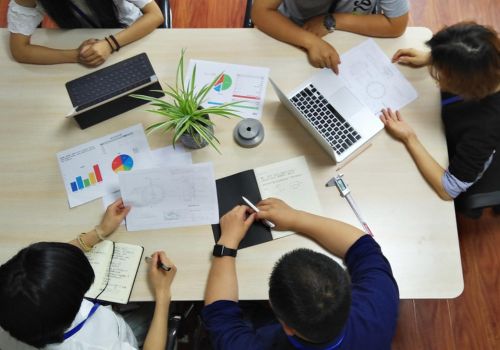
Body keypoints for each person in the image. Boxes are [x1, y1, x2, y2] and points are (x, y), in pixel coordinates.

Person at [202, 198, 399, 350]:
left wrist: (227, 241)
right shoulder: (379, 304)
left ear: (286, 326)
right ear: (348, 291)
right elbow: (364, 247)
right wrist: (296, 217)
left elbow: (220, 315)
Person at [0, 198, 177, 350]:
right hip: (118, 332)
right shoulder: (97, 345)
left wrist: (98, 232)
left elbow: (46, 265)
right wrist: (163, 294)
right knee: (156, 307)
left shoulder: (16, 296)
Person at [380, 22, 500, 207]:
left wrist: (410, 138)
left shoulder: (483, 129)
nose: (438, 81)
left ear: (466, 86)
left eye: (442, 75)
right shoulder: (491, 58)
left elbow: (448, 190)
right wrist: (434, 57)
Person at [251, 0, 409, 73]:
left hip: (353, 32)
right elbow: (261, 12)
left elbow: (397, 24)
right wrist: (310, 41)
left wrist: (333, 20)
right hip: (291, 29)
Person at [8, 0, 164, 67]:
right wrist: (77, 55)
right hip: (79, 40)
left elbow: (155, 15)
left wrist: (109, 44)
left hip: (130, 31)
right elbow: (20, 50)